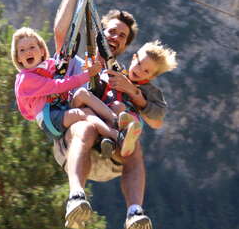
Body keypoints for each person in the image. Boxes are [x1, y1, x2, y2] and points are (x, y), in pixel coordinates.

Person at [53, 0, 156, 229]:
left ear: (125, 46)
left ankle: (134, 215)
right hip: (74, 144)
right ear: (101, 31)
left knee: (134, 146)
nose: (115, 37)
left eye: (122, 36)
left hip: (111, 155)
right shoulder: (76, 63)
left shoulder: (122, 78)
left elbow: (155, 115)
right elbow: (61, 34)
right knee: (85, 127)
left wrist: (134, 95)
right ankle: (76, 195)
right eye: (111, 31)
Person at [11, 27, 142, 161]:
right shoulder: (26, 79)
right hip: (50, 118)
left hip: (62, 108)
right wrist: (87, 75)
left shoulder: (49, 66)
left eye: (32, 47)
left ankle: (116, 120)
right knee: (84, 113)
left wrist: (80, 64)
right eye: (22, 50)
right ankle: (117, 136)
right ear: (18, 59)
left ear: (42, 51)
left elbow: (63, 67)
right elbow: (57, 86)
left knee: (81, 93)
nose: (28, 52)